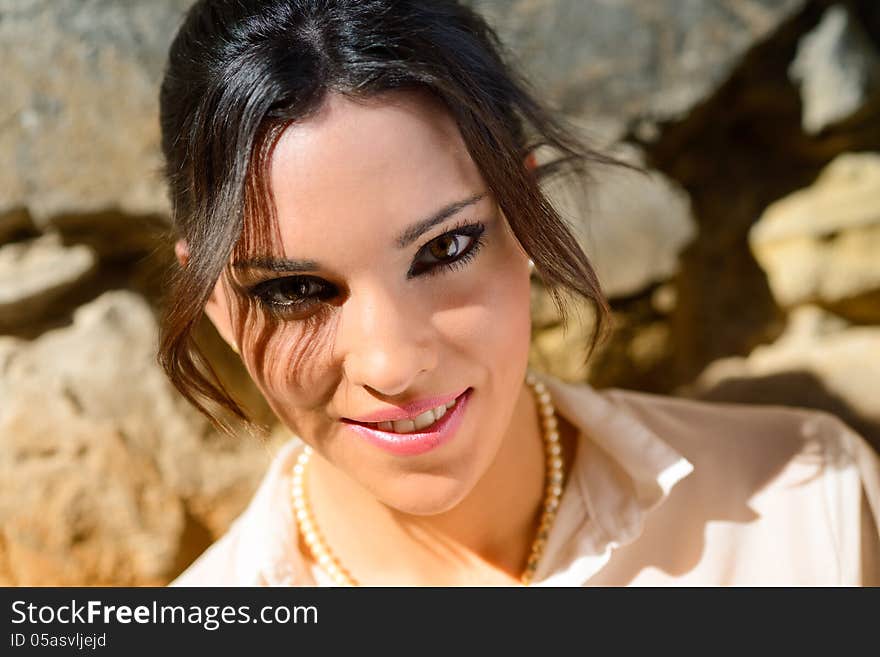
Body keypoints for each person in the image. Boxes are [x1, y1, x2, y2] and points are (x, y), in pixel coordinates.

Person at [160, 0, 879, 586]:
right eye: (293, 289)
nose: (390, 364)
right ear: (218, 305)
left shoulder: (815, 516)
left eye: (445, 248)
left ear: (525, 210)